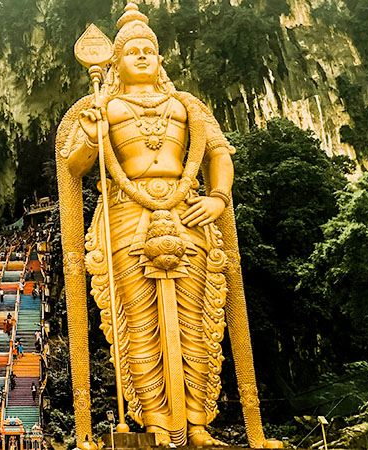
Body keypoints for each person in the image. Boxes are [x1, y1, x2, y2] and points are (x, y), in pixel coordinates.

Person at [56, 4, 258, 447]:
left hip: (187, 210)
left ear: (161, 59)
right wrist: (92, 133)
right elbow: (75, 166)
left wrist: (217, 198)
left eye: (150, 49)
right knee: (138, 319)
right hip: (128, 215)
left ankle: (199, 424)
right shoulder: (103, 106)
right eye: (133, 51)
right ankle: (157, 425)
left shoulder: (186, 106)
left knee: (196, 322)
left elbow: (218, 154)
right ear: (116, 62)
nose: (143, 56)